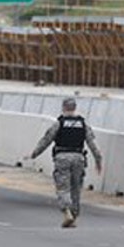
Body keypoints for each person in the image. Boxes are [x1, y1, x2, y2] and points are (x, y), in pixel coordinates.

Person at [27, 98, 103, 228]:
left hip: (62, 158)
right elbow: (93, 144)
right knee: (76, 188)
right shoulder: (83, 124)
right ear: (75, 108)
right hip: (79, 158)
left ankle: (67, 211)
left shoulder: (59, 123)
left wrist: (34, 154)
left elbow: (46, 140)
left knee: (63, 187)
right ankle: (74, 215)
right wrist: (98, 160)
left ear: (63, 108)